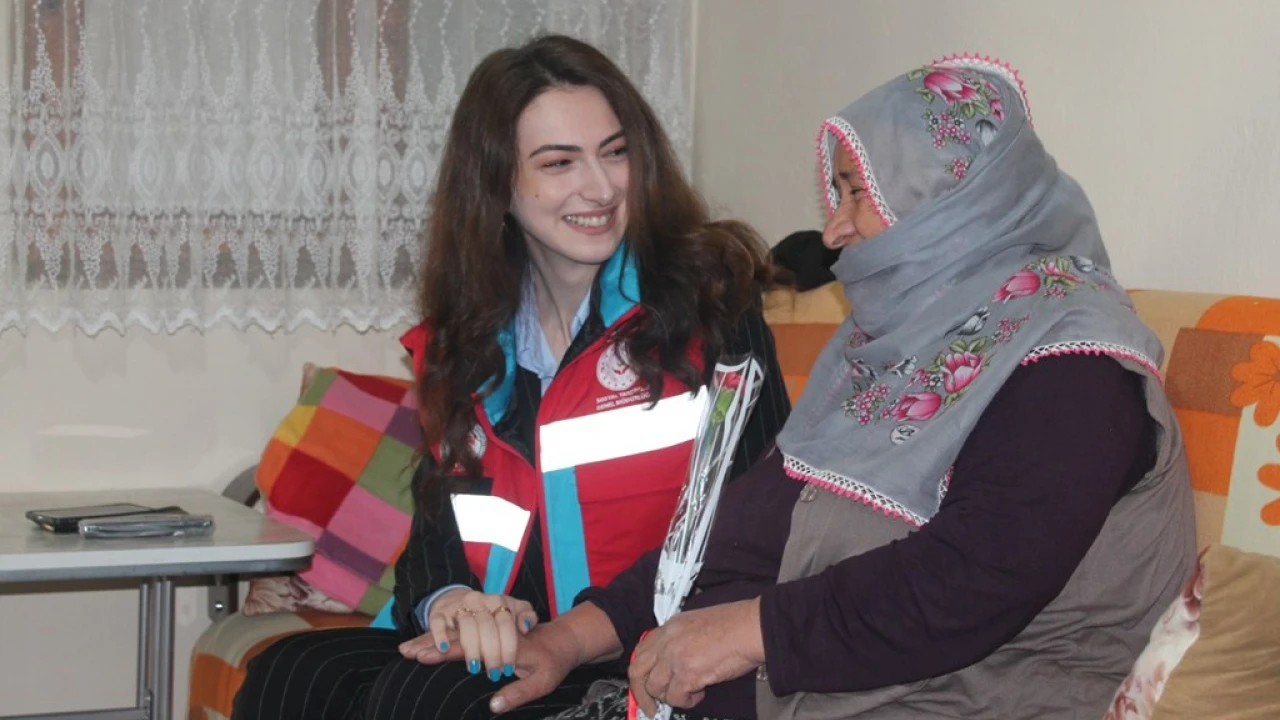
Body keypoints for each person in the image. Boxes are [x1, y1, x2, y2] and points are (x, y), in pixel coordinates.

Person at [483, 56, 1197, 720]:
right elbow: (736, 531)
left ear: (953, 199)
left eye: (858, 193)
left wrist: (749, 632)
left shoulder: (1073, 363)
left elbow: (972, 582)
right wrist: (569, 639)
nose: (832, 229)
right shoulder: (893, 347)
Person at [232, 34, 790, 720]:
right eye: (559, 163)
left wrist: (570, 636)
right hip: (521, 638)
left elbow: (758, 524)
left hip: (643, 646)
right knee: (290, 672)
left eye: (616, 152)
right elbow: (436, 536)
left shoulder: (711, 306)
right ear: (495, 182)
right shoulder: (469, 341)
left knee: (426, 695)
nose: (602, 187)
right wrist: (454, 604)